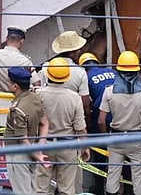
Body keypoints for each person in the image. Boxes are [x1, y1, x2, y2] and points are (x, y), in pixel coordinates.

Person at [98, 52, 141, 195]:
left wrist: (106, 137)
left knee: (113, 175)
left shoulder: (109, 92)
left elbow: (101, 120)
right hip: (137, 139)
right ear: (137, 72)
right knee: (138, 178)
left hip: (116, 138)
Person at [33, 59, 88, 195]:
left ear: (48, 75)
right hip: (67, 147)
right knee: (66, 189)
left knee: (41, 188)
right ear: (66, 77)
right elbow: (80, 128)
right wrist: (85, 146)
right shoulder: (74, 97)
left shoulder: (38, 94)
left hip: (44, 145)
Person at [4, 67, 49, 193]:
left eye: (9, 82)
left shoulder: (17, 110)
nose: (7, 84)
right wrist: (39, 149)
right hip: (32, 147)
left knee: (22, 191)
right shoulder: (34, 98)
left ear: (15, 86)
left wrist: (36, 155)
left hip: (17, 153)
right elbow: (45, 124)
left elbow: (22, 139)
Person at [79, 52, 114, 195]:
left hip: (101, 118)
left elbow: (86, 104)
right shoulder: (112, 71)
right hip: (121, 117)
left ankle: (99, 189)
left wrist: (86, 124)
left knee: (99, 157)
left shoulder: (86, 77)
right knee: (122, 160)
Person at [43, 31, 92, 116]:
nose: (80, 52)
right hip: (71, 115)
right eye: (78, 50)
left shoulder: (46, 67)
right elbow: (85, 103)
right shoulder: (80, 72)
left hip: (48, 115)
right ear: (71, 53)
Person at [0, 25, 37, 92]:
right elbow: (37, 83)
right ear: (21, 41)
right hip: (16, 100)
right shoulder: (25, 61)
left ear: (6, 38)